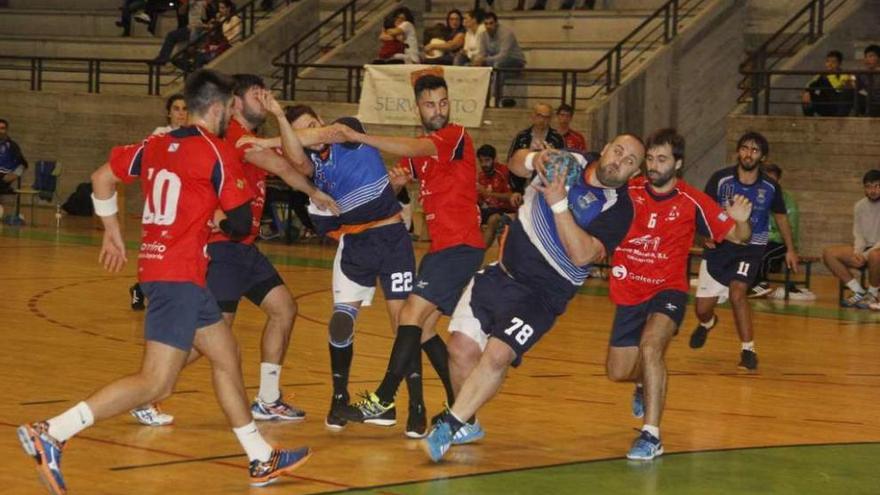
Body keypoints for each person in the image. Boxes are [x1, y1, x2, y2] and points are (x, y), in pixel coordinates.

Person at [16, 69, 310, 495]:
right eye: (229, 108)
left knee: (227, 354)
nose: (231, 115)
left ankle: (260, 456)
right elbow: (244, 223)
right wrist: (215, 214)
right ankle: (53, 431)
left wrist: (114, 232)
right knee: (156, 382)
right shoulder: (217, 151)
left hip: (163, 270)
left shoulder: (154, 145)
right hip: (180, 275)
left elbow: (102, 179)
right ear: (216, 108)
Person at [130, 74, 339, 427]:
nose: (266, 99)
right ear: (236, 103)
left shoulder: (253, 138)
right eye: (258, 96)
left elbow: (292, 167)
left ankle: (268, 399)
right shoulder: (229, 135)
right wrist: (310, 183)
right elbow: (279, 165)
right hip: (223, 248)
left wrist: (313, 191)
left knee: (284, 308)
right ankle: (150, 392)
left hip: (245, 248)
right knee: (211, 342)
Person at [421, 136, 644, 462]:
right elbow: (515, 163)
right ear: (607, 146)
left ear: (634, 173)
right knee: (459, 350)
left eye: (629, 162)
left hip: (542, 294)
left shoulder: (618, 208)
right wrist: (534, 159)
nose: (619, 161)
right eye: (618, 152)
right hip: (502, 273)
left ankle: (450, 424)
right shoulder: (570, 161)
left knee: (497, 354)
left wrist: (559, 204)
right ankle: (468, 422)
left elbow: (583, 255)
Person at [332, 73, 485, 432]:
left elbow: (415, 150)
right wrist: (394, 183)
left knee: (410, 317)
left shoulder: (455, 136)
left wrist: (358, 136)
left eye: (443, 102)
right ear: (418, 107)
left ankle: (384, 397)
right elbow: (404, 172)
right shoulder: (426, 150)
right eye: (431, 104)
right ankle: (464, 413)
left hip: (461, 246)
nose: (439, 110)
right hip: (442, 249)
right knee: (426, 330)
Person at [605, 129, 752, 461]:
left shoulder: (693, 200)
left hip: (667, 290)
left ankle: (651, 435)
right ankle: (644, 381)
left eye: (662, 159)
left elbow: (738, 236)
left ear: (679, 163)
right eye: (650, 159)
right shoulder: (628, 189)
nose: (653, 166)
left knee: (651, 346)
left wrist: (741, 222)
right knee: (616, 371)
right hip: (629, 290)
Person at [689, 131, 798, 371]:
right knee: (702, 309)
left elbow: (780, 216)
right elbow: (703, 210)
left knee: (739, 292)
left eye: (755, 150)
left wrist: (790, 249)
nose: (749, 153)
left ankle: (748, 350)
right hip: (720, 245)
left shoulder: (770, 187)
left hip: (752, 247)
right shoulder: (720, 179)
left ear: (763, 157)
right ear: (738, 151)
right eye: (745, 148)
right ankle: (707, 323)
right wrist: (703, 235)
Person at [129, 94, 189, 314]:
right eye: (176, 108)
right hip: (163, 205)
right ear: (168, 112)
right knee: (160, 252)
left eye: (185, 109)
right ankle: (141, 288)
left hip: (185, 203)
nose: (181, 113)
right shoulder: (158, 136)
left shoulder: (194, 137)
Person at [822, 169, 880, 308]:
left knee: (875, 256)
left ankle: (872, 294)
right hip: (865, 249)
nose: (873, 190)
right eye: (868, 186)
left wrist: (865, 256)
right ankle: (858, 291)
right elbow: (858, 233)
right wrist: (857, 252)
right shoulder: (860, 206)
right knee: (829, 253)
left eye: (877, 186)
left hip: (877, 250)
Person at [750, 163, 803, 298]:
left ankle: (760, 284)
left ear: (778, 181)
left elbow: (791, 229)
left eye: (772, 180)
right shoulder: (757, 196)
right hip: (761, 238)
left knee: (764, 254)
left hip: (782, 242)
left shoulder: (788, 201)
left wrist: (768, 237)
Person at [507, 103, 565, 194]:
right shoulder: (522, 136)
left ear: (550, 119)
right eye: (539, 115)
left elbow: (563, 164)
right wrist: (515, 190)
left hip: (547, 189)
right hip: (523, 187)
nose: (542, 120)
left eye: (546, 117)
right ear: (533, 116)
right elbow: (510, 162)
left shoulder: (557, 138)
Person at [476, 144, 521, 247]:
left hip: (505, 210)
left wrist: (489, 193)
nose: (484, 164)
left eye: (487, 160)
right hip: (489, 210)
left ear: (494, 159)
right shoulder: (481, 176)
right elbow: (479, 200)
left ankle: (480, 255)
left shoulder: (504, 172)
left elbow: (511, 196)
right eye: (481, 161)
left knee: (494, 219)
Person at [801, 50, 854, 117]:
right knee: (808, 95)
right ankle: (808, 121)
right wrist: (807, 92)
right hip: (827, 105)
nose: (830, 64)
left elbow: (843, 91)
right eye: (828, 61)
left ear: (839, 64)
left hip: (839, 105)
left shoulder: (846, 75)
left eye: (833, 62)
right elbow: (811, 86)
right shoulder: (822, 75)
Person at [0, 118, 28, 195]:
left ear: (6, 130)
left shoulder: (12, 146)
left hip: (4, 177)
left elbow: (23, 164)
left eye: (2, 128)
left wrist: (11, 176)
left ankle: (3, 187)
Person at [856, 44, 880, 117]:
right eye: (866, 57)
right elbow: (859, 89)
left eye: (871, 56)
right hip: (869, 102)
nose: (867, 59)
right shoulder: (862, 74)